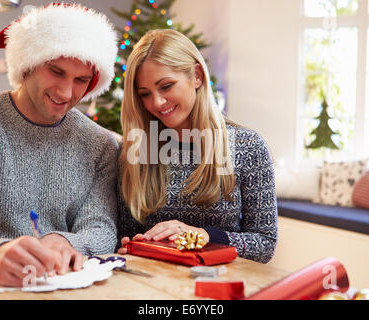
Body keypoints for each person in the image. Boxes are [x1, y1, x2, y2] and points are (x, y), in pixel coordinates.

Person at [0, 3, 119, 287]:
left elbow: (101, 229)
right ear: (27, 64)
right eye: (56, 72)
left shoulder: (100, 144)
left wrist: (65, 240)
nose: (66, 92)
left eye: (81, 80)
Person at [116, 29, 277, 263]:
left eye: (166, 86)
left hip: (218, 286)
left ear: (197, 76)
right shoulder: (134, 149)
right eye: (145, 94)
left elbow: (264, 244)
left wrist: (203, 236)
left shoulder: (247, 147)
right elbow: (125, 233)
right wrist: (131, 245)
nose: (157, 103)